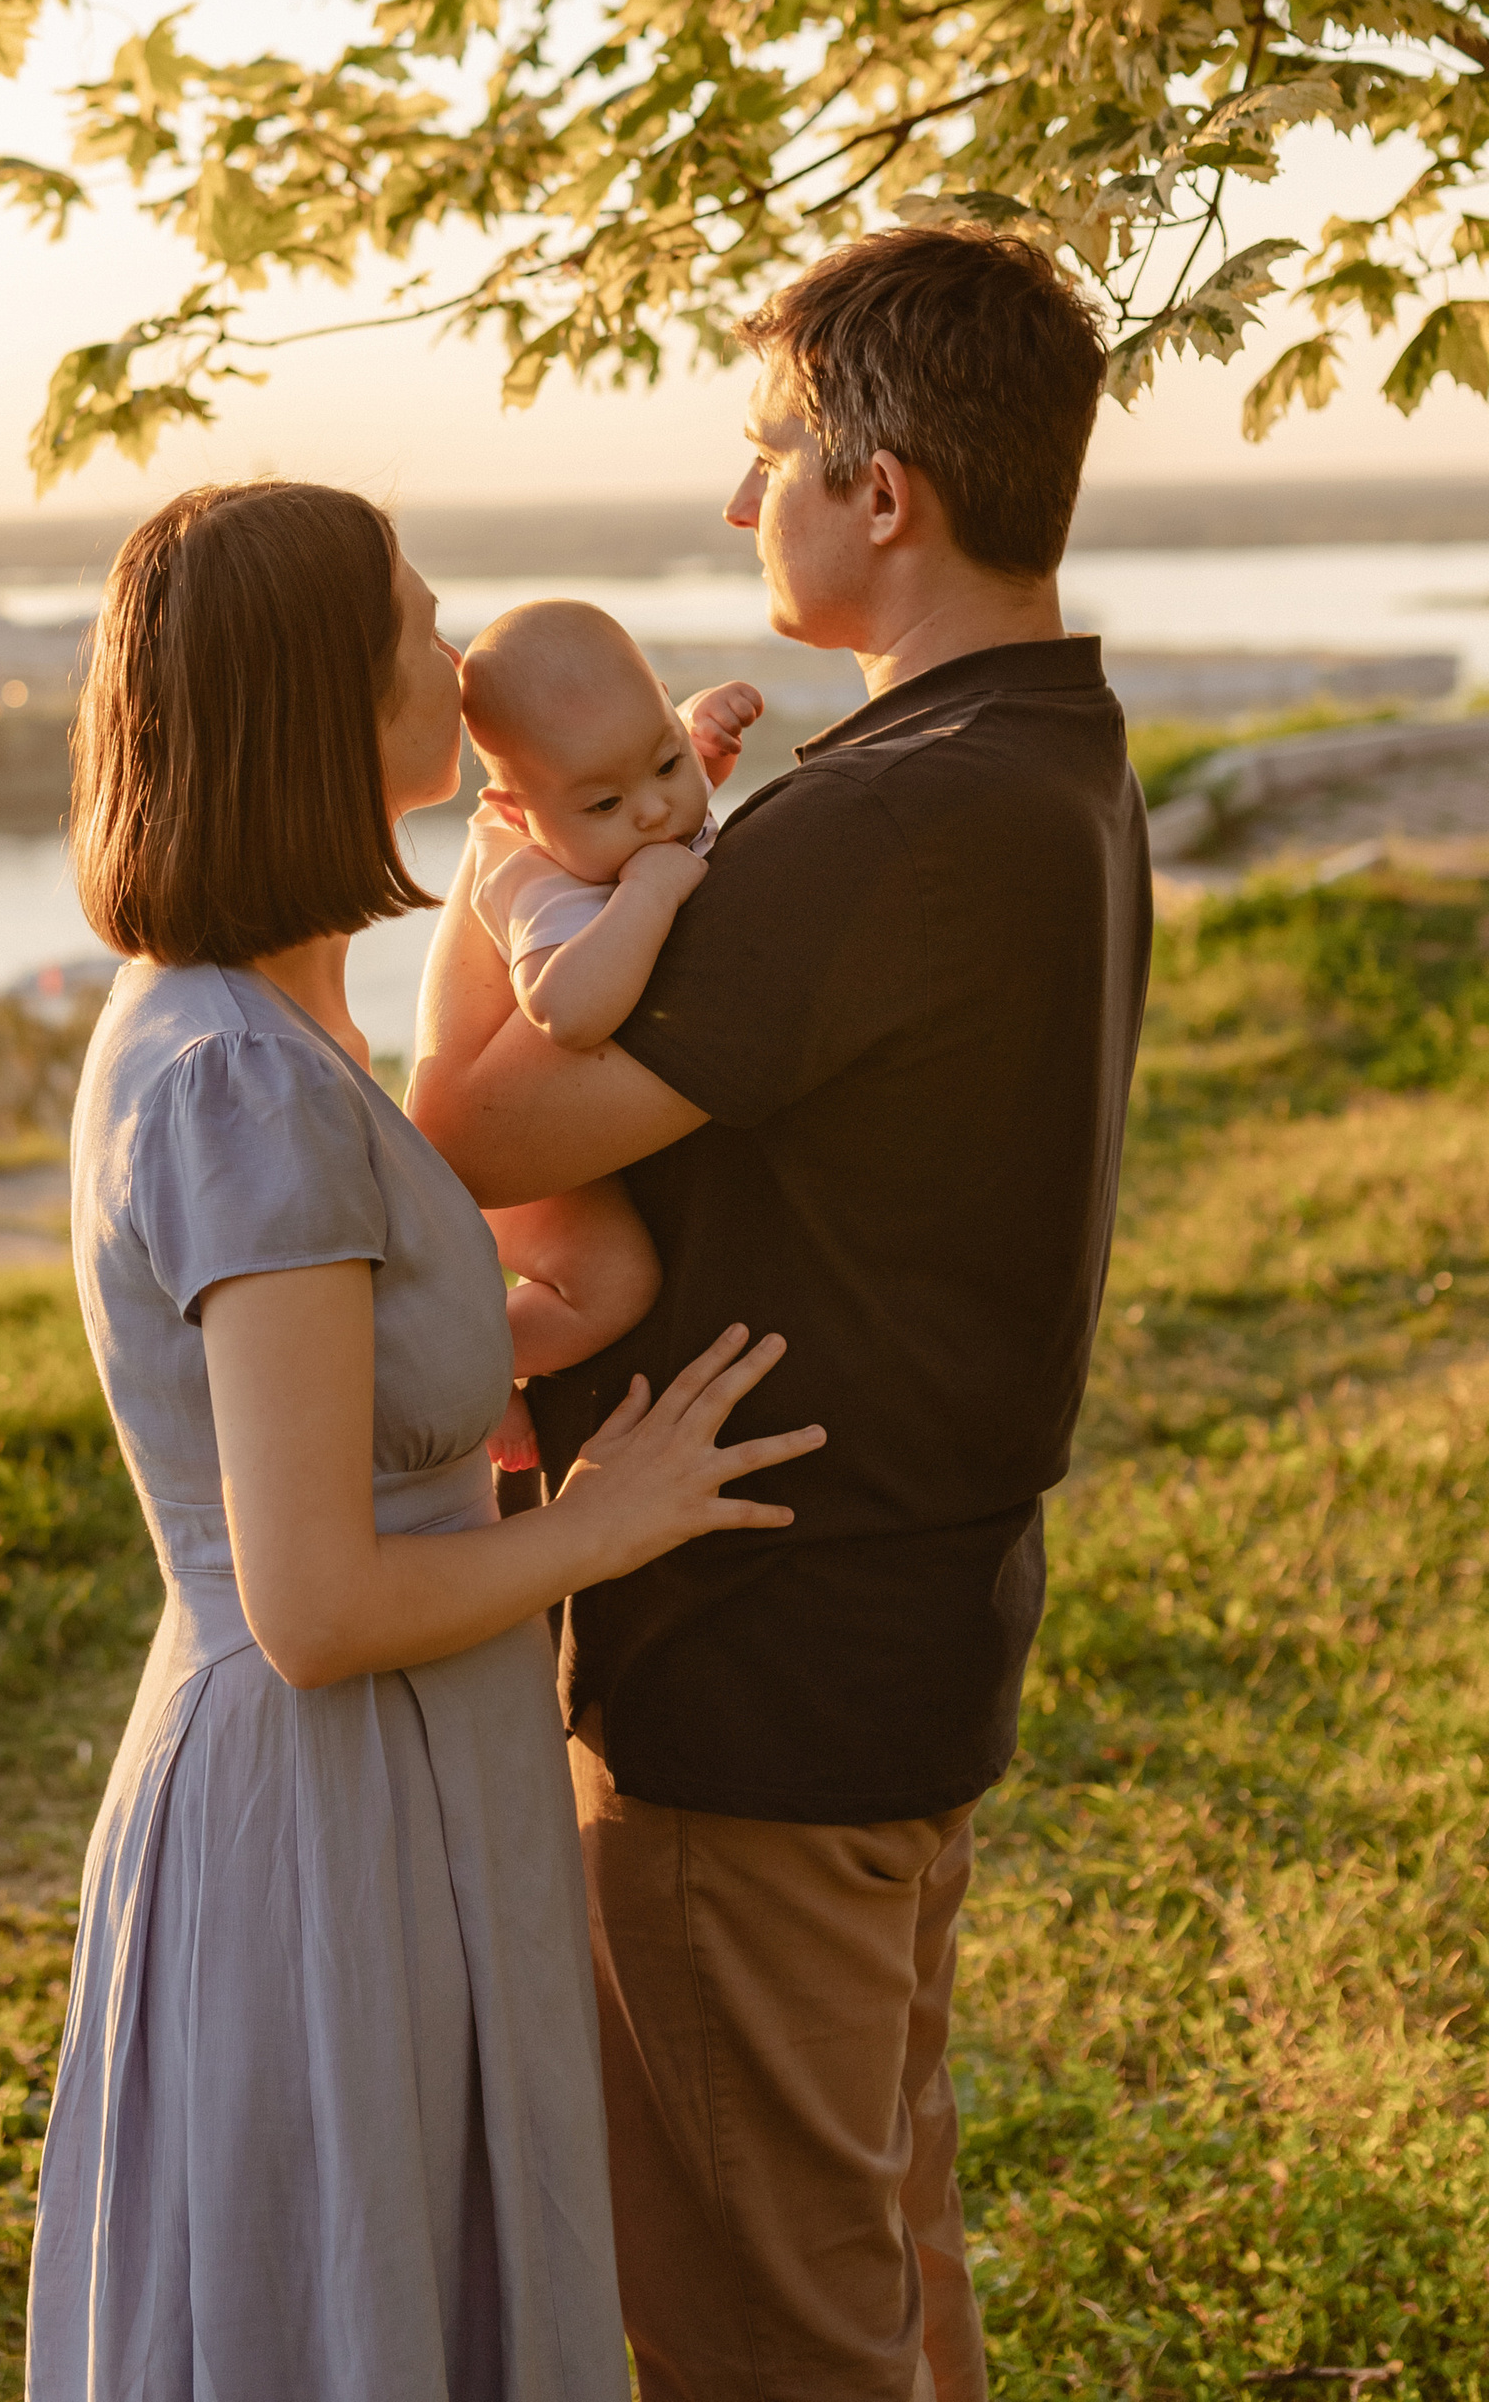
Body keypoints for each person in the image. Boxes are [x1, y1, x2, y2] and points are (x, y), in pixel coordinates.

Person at [408, 226, 1152, 2402]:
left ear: (879, 490)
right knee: (880, 2266)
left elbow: (469, 1119)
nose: (742, 505)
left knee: (766, 2328)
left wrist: (503, 868)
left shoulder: (889, 813)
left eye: (766, 455)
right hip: (897, 1629)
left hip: (757, 1666)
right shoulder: (1050, 757)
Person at [26, 481, 826, 2402]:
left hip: (395, 1769)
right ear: (317, 702)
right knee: (359, 2311)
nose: (455, 655)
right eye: (413, 625)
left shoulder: (270, 1018)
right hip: (327, 1787)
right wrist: (605, 1519)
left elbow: (430, 1342)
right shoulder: (239, 1079)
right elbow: (311, 1597)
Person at [454, 605, 763, 1469]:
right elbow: (567, 1010)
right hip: (502, 1173)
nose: (655, 810)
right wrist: (649, 894)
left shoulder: (626, 796)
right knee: (615, 1284)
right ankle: (469, 1369)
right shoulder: (536, 876)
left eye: (666, 760)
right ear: (515, 810)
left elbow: (638, 772)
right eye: (605, 802)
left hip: (578, 1138)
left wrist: (701, 743)